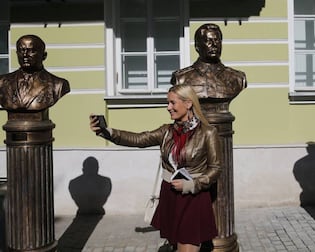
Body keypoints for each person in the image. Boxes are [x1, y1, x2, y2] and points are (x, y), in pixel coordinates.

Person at [89, 84, 222, 252]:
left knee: (187, 245)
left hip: (193, 196)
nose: (168, 108)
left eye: (172, 103)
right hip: (170, 193)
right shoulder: (166, 131)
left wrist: (193, 184)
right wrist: (107, 131)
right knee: (175, 245)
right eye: (168, 103)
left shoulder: (208, 133)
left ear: (188, 104)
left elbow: (216, 168)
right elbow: (138, 139)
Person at [171, 23, 246, 101]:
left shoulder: (237, 78)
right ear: (197, 46)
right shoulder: (182, 78)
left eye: (217, 41)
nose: (214, 45)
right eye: (208, 41)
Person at [0, 34, 70, 111]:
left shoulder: (58, 84)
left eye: (31, 51)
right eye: (21, 50)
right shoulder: (2, 82)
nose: (25, 55)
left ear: (44, 55)